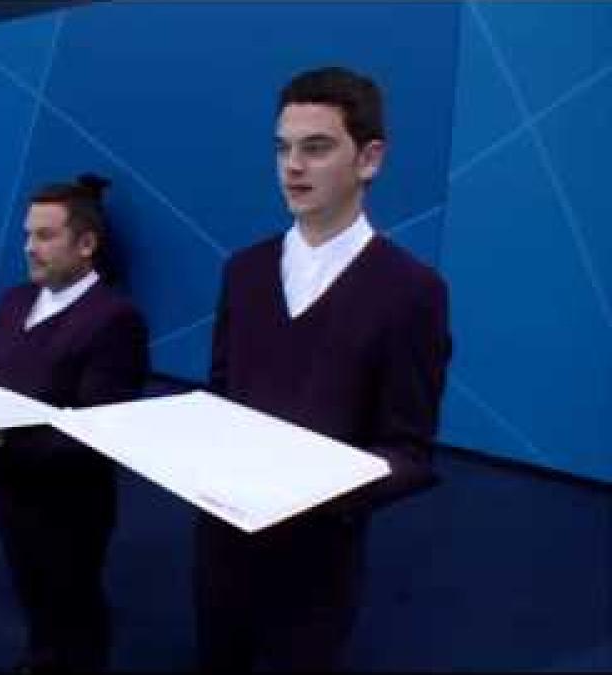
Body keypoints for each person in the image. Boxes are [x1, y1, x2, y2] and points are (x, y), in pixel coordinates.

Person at [195, 66, 452, 672]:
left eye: (316, 148)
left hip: (318, 558)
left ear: (369, 159)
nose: (292, 166)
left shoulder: (412, 291)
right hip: (220, 539)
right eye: (282, 148)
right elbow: (221, 393)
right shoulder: (244, 271)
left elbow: (409, 451)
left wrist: (317, 488)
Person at [0, 174, 149, 673]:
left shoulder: (116, 319)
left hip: (69, 504)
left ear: (87, 243)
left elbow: (101, 431)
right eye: (28, 234)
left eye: (45, 236)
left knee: (75, 600)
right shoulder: (11, 301)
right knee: (29, 586)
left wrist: (6, 433)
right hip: (6, 486)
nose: (29, 247)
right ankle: (41, 653)